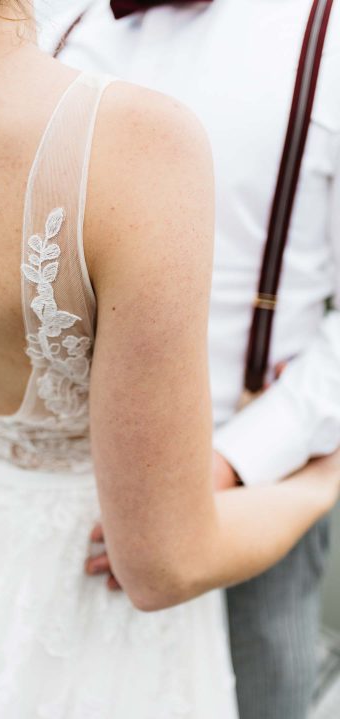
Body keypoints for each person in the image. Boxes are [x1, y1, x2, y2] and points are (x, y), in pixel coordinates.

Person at [0, 0, 338, 716]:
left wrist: (261, 450)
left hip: (245, 493)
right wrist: (327, 478)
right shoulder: (97, 81)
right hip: (130, 569)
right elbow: (168, 562)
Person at [33, 1, 340, 717]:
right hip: (48, 505)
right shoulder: (59, 25)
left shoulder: (327, 34)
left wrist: (235, 458)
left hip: (245, 501)